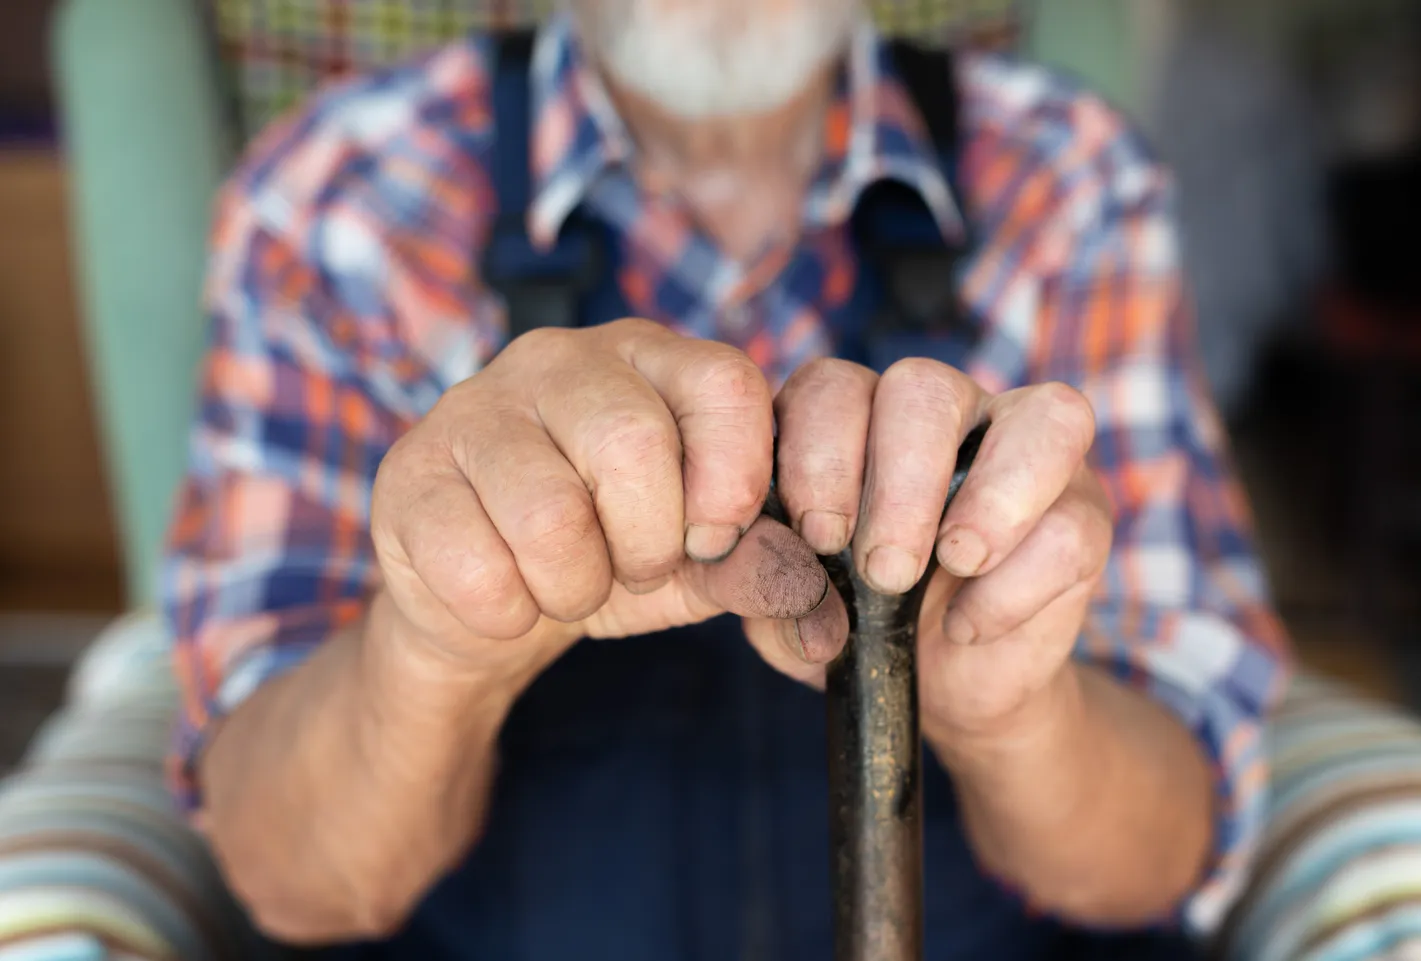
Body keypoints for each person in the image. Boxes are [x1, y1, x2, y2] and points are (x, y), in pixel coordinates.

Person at [162, 0, 1290, 958]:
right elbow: (293, 876)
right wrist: (435, 656)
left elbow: (1158, 854)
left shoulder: (1067, 178)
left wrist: (1008, 718)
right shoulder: (333, 203)